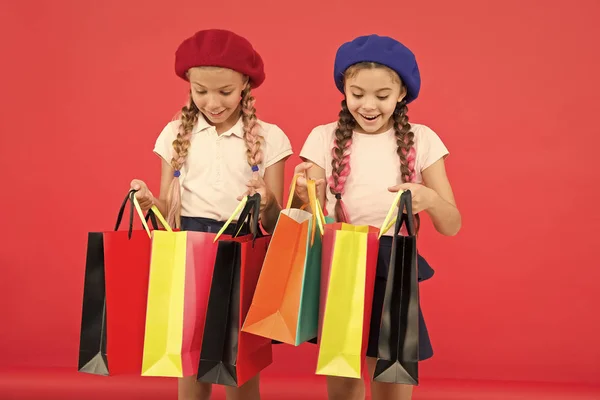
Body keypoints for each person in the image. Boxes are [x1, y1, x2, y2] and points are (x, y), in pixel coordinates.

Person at [292, 34, 462, 400]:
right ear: (344, 90)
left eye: (382, 96)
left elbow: (452, 225)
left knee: (392, 377)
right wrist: (305, 197)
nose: (368, 106)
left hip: (394, 262)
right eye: (357, 94)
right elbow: (305, 220)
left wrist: (429, 198)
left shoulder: (423, 140)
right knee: (343, 375)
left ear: (402, 93)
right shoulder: (322, 138)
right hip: (338, 260)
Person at [130, 29, 293, 400]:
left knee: (239, 357)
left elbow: (275, 220)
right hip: (189, 249)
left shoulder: (272, 138)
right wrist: (147, 202)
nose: (212, 101)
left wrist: (266, 199)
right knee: (189, 353)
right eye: (201, 90)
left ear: (245, 87)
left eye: (225, 91)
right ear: (189, 85)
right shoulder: (175, 134)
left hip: (243, 250)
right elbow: (170, 211)